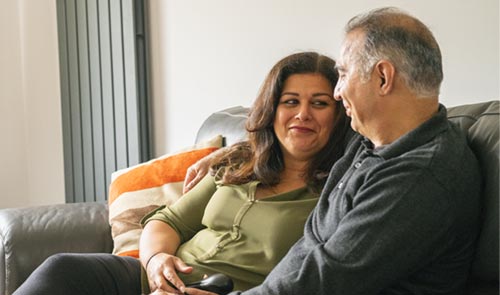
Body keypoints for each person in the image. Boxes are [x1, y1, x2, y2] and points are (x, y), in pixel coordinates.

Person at [184, 7, 482, 295]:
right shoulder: (373, 139)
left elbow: (327, 278)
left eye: (343, 74)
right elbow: (293, 132)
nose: (338, 92)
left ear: (382, 77)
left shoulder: (420, 177)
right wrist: (228, 152)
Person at [12, 51, 350, 295]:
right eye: (290, 102)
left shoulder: (333, 194)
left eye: (319, 103)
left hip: (217, 291)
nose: (302, 114)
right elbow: (168, 221)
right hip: (151, 278)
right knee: (62, 268)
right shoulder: (239, 166)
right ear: (271, 110)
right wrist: (158, 260)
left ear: (337, 116)